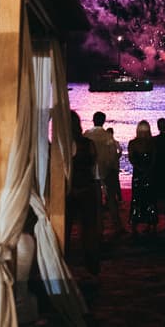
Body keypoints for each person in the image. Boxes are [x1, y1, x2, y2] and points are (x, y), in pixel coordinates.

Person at [66, 111, 101, 277]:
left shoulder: (63, 144)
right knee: (89, 230)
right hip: (86, 187)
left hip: (69, 190)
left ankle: (64, 260)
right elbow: (93, 163)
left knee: (65, 228)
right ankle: (91, 264)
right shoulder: (88, 144)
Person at [84, 112, 124, 235]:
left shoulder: (87, 134)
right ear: (104, 121)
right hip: (106, 170)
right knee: (111, 198)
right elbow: (112, 155)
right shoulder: (107, 136)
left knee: (94, 200)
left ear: (93, 120)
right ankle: (116, 225)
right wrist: (112, 168)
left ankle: (96, 226)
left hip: (90, 170)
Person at [128, 120, 158, 234]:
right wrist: (147, 170)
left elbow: (131, 159)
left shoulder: (133, 143)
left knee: (137, 198)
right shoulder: (152, 143)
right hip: (149, 174)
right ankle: (151, 224)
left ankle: (135, 224)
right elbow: (154, 159)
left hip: (138, 174)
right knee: (150, 198)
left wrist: (139, 168)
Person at [106, 128, 123, 202]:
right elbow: (120, 151)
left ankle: (114, 197)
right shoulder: (115, 142)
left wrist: (117, 157)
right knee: (115, 181)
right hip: (113, 164)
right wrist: (117, 157)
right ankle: (118, 197)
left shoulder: (112, 143)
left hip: (111, 164)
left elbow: (120, 151)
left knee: (113, 181)